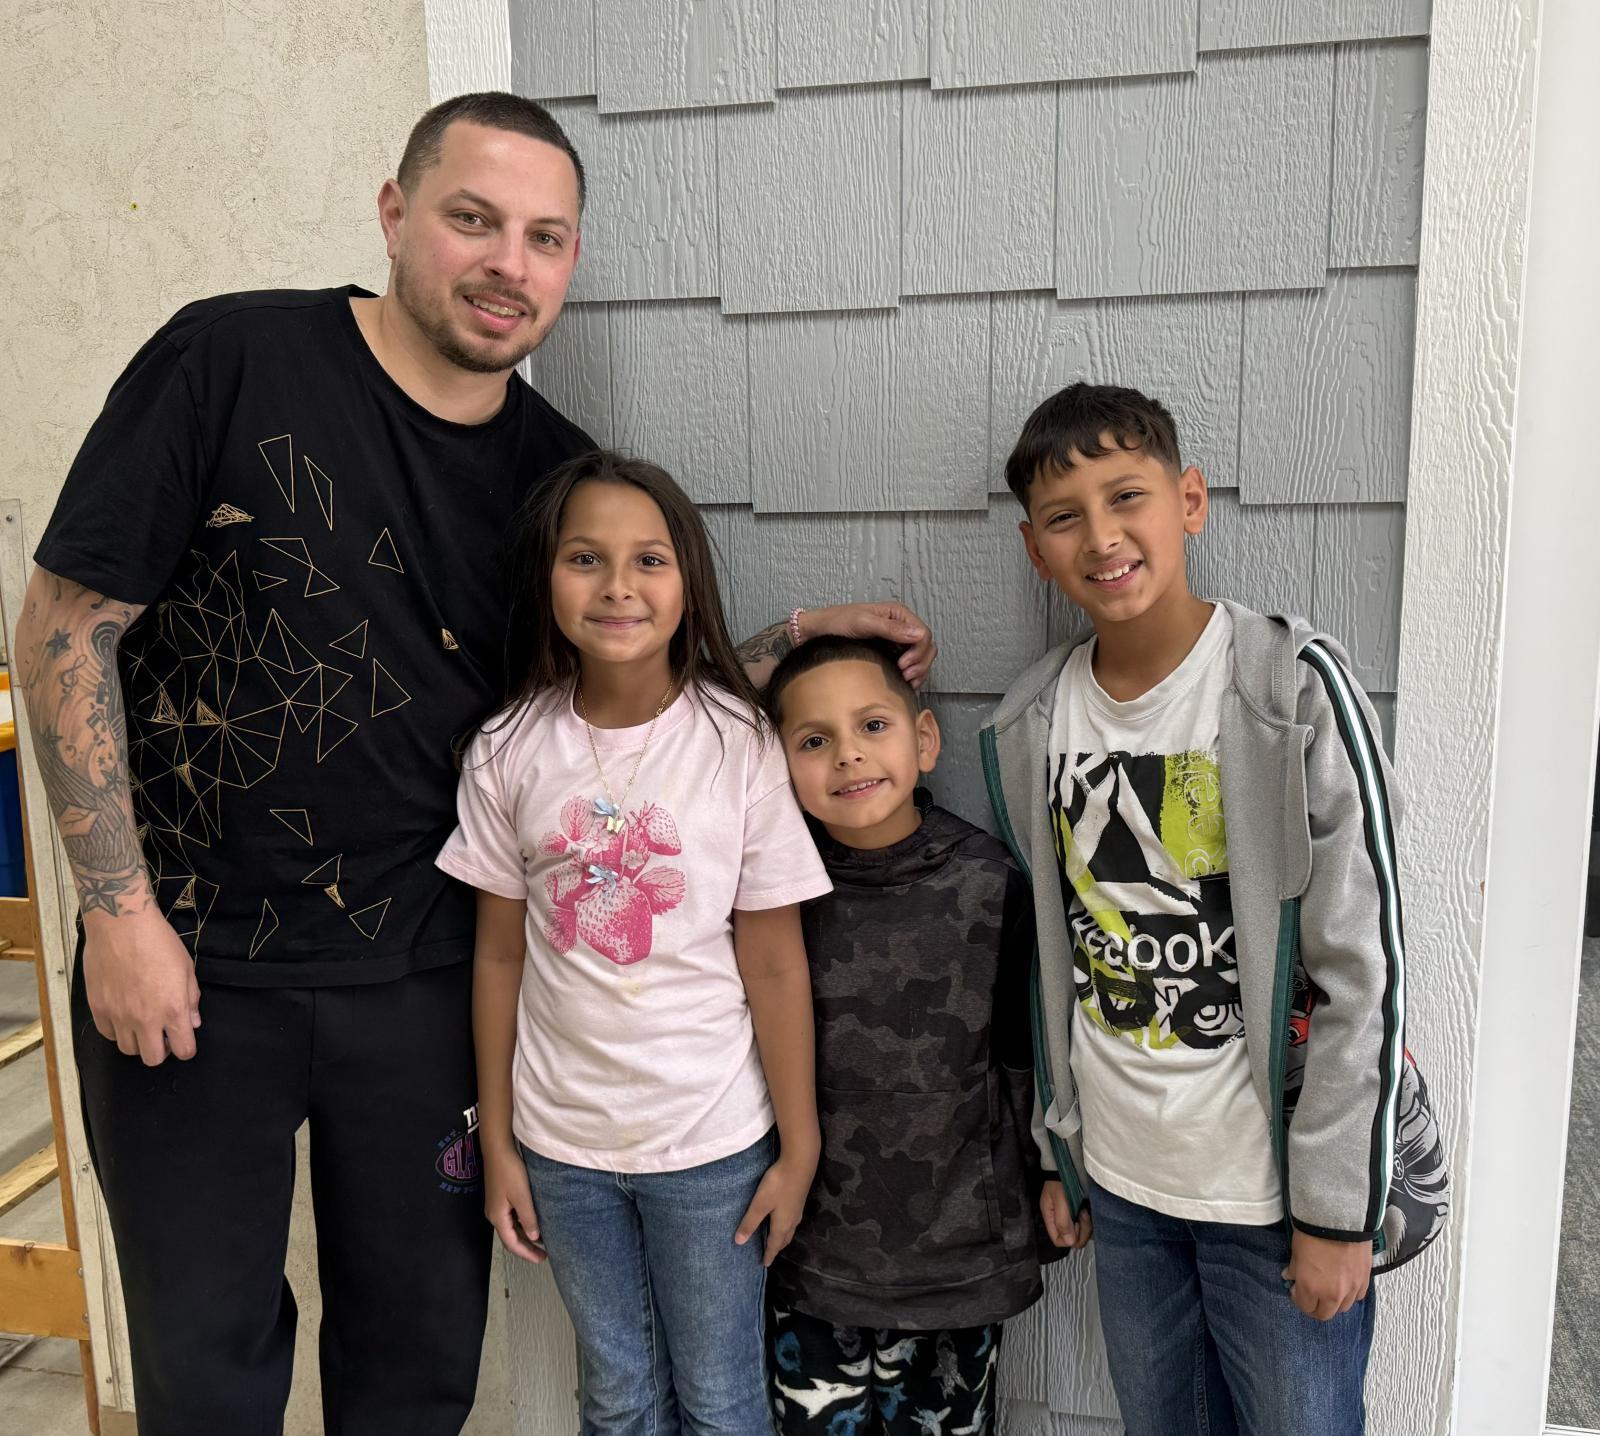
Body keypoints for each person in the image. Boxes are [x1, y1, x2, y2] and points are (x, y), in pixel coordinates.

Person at [11, 90, 933, 1435]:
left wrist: (790, 642)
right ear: (396, 216)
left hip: (429, 981)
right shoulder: (229, 361)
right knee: (205, 1365)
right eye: (473, 219)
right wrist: (116, 911)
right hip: (194, 967)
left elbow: (613, 657)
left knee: (417, 1362)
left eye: (546, 237)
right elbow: (62, 630)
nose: (510, 262)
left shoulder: (555, 482)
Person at [979, 383, 1449, 1436]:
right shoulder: (1031, 722)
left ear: (1188, 499)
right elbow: (1057, 961)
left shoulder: (1290, 690)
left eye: (1127, 496)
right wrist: (1065, 1152)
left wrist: (1336, 1209)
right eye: (1065, 516)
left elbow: (1362, 964)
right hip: (1131, 1188)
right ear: (1033, 549)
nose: (1101, 536)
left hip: (1275, 1202)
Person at [437, 452, 830, 1434]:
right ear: (546, 578)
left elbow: (775, 958)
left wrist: (801, 1137)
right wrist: (499, 1139)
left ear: (687, 577)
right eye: (586, 557)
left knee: (721, 1398)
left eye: (648, 558)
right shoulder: (508, 750)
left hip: (710, 1144)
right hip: (559, 1144)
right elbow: (498, 955)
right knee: (616, 1396)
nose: (618, 585)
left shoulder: (738, 742)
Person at [762, 635, 1048, 1436]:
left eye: (873, 727)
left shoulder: (990, 884)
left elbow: (1026, 1059)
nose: (848, 757)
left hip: (955, 1262)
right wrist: (803, 625)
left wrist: (1055, 1176)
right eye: (814, 741)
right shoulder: (775, 895)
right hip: (815, 1261)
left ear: (925, 739)